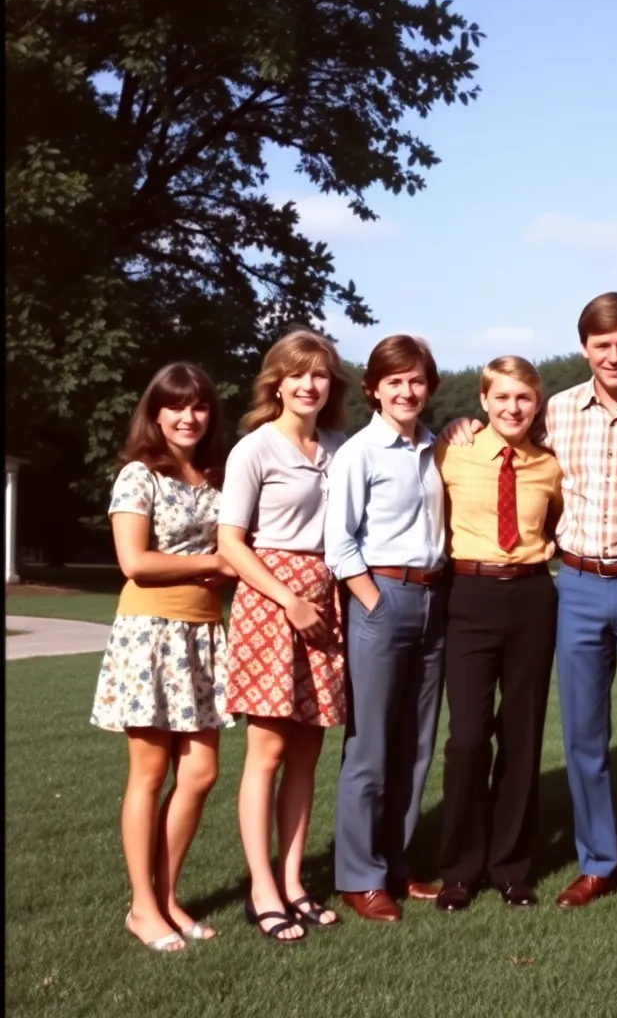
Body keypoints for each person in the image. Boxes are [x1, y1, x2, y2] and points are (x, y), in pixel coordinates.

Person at [443, 293, 617, 915]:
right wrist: (459, 426)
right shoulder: (556, 410)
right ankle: (596, 863)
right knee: (583, 736)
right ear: (585, 347)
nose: (615, 356)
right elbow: (508, 449)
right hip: (577, 586)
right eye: (602, 344)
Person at [91, 362, 234, 952]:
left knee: (200, 773)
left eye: (199, 405)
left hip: (203, 634)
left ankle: (168, 895)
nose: (188, 416)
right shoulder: (137, 476)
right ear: (155, 412)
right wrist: (214, 565)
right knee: (149, 776)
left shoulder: (216, 475)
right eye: (175, 405)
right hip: (149, 634)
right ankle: (142, 908)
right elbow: (136, 561)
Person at [217, 326, 348, 944]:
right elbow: (230, 544)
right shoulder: (255, 449)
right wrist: (289, 599)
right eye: (297, 374)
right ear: (277, 381)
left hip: (326, 602)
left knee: (306, 752)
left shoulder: (339, 447)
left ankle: (294, 883)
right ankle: (261, 889)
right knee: (266, 752)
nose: (308, 384)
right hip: (274, 602)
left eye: (319, 374)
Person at [433, 356, 563, 912]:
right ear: (483, 401)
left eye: (524, 399)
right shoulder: (451, 454)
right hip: (468, 594)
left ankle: (511, 866)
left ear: (538, 405)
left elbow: (555, 526)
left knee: (522, 735)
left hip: (531, 596)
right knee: (466, 739)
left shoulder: (549, 466)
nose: (513, 408)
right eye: (502, 397)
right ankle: (459, 868)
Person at [325, 335, 447, 923]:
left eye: (416, 380)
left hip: (432, 598)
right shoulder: (360, 452)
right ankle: (358, 876)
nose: (406, 390)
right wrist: (372, 600)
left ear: (429, 387)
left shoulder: (434, 447)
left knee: (416, 745)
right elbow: (338, 540)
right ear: (374, 388)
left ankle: (395, 864)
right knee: (370, 745)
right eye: (394, 381)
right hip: (381, 597)